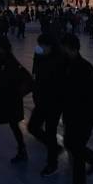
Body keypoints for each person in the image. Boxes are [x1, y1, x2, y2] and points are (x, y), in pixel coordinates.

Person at [60, 33, 93, 184]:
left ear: (70, 48)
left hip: (84, 115)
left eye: (64, 47)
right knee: (72, 144)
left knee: (76, 147)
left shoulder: (84, 67)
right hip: (73, 114)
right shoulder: (69, 64)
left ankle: (80, 182)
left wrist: (77, 104)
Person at [28, 33, 64, 176]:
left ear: (51, 46)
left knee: (50, 131)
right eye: (39, 45)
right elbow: (35, 73)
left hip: (54, 102)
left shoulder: (59, 60)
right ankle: (54, 147)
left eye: (43, 45)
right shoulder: (40, 56)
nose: (40, 47)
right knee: (33, 127)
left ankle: (52, 163)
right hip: (41, 100)